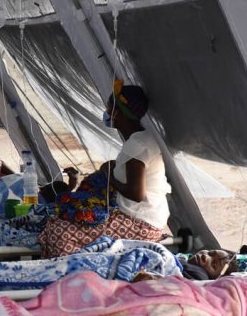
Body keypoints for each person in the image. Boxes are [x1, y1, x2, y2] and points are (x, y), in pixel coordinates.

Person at [40, 80, 171, 257]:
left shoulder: (137, 145)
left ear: (116, 112)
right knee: (63, 219)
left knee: (60, 230)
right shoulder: (142, 139)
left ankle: (75, 270)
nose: (107, 113)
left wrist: (110, 175)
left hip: (141, 223)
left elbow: (136, 194)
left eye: (109, 108)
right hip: (147, 217)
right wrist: (113, 167)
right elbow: (135, 172)